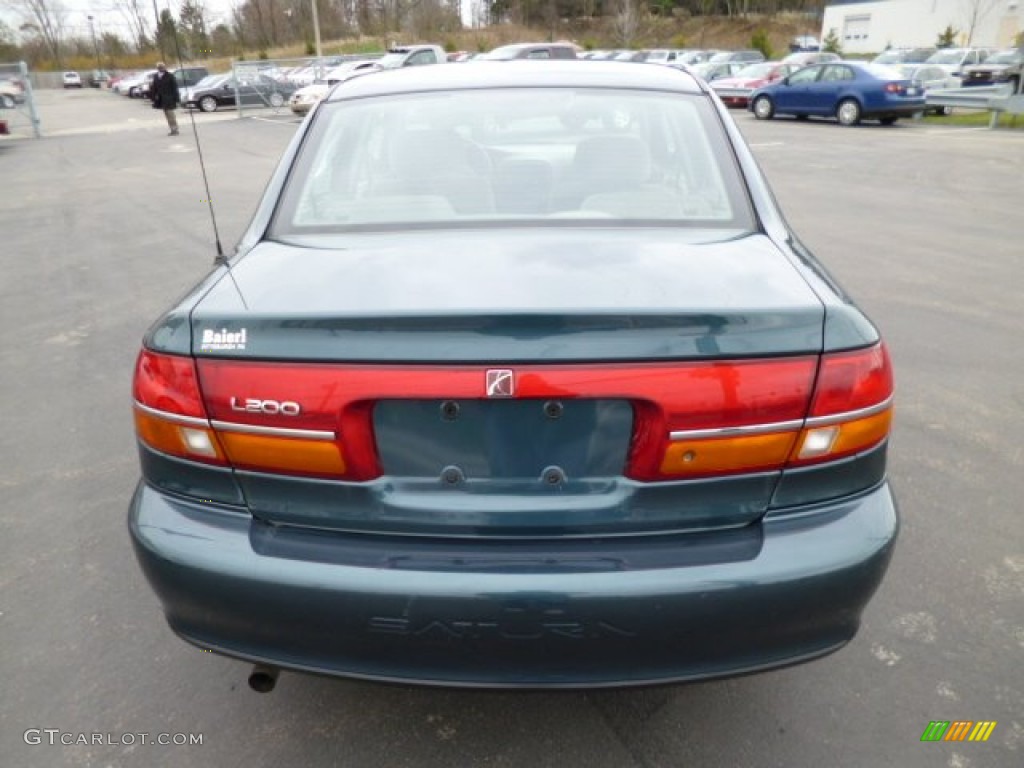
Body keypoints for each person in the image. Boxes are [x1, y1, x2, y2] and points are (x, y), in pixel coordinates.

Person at [151, 63, 180, 136]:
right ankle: (172, 128)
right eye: (159, 67)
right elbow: (154, 88)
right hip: (161, 99)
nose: (161, 68)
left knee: (171, 114)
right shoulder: (156, 76)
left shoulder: (170, 76)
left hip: (170, 98)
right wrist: (153, 98)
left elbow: (175, 88)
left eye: (162, 67)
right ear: (157, 68)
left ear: (164, 67)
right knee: (167, 115)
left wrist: (177, 99)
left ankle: (175, 129)